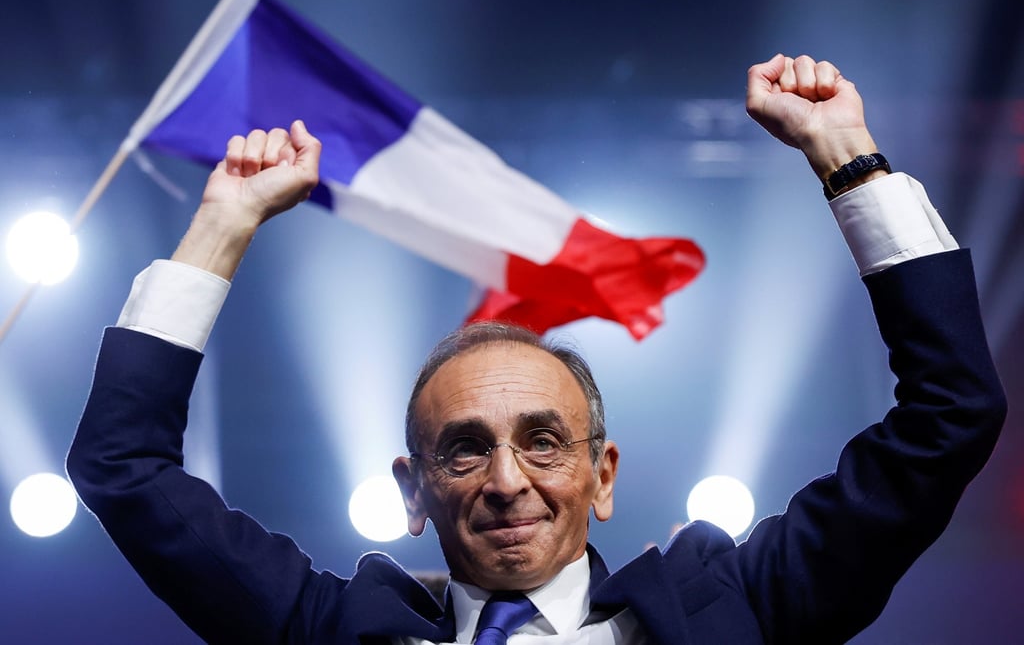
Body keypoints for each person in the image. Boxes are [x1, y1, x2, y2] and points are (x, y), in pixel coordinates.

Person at [67, 54, 1006, 644]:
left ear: (602, 476)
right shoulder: (328, 628)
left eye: (545, 441)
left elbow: (950, 413)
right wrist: (222, 226)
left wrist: (849, 158)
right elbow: (122, 467)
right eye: (465, 447)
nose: (507, 479)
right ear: (411, 490)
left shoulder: (738, 611)